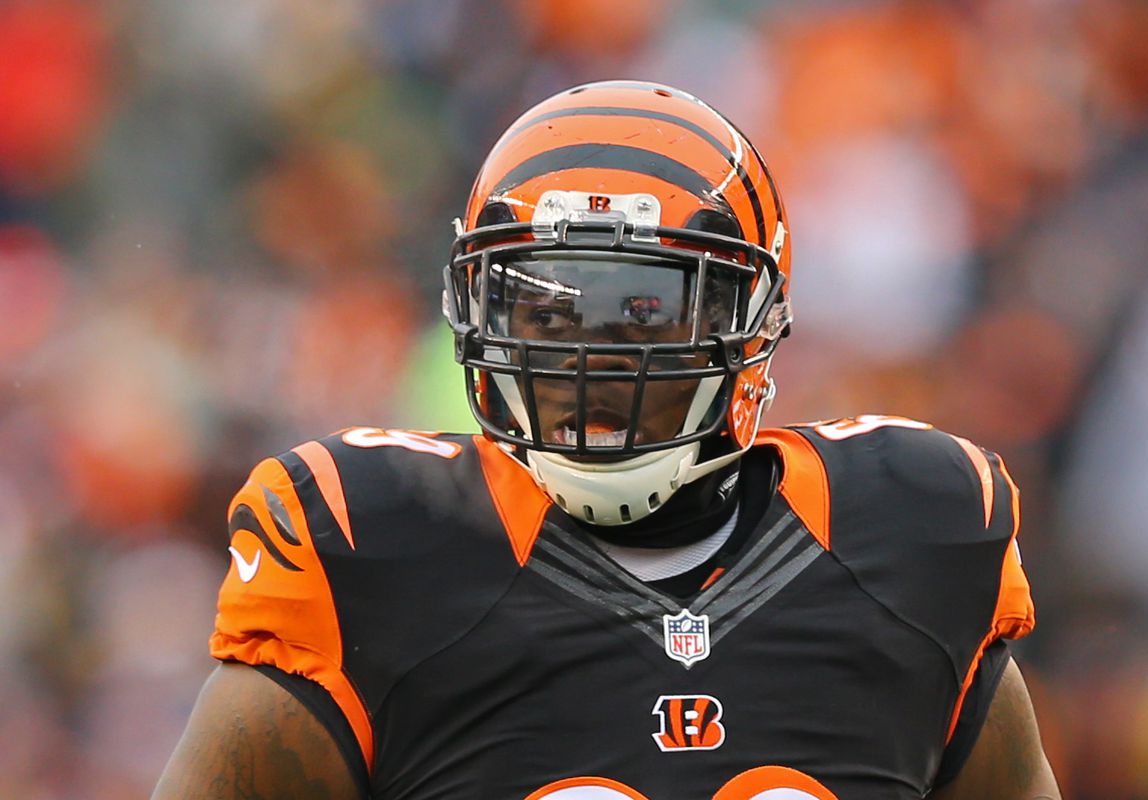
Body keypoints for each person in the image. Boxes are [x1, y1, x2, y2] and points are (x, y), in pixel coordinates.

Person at [154, 80, 1060, 800]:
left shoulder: (904, 536)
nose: (589, 354)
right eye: (545, 308)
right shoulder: (370, 555)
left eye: (644, 309)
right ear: (479, 311)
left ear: (749, 321)